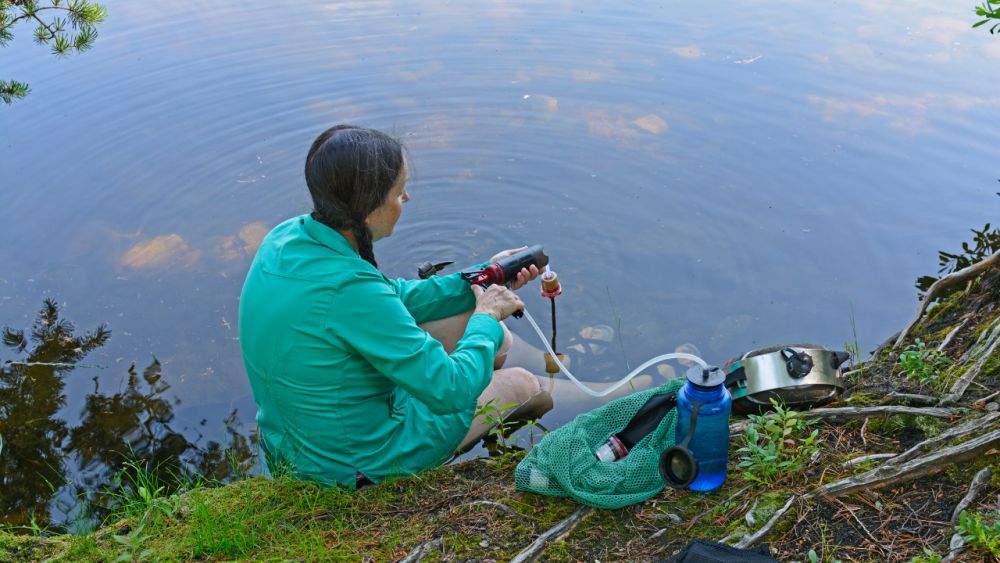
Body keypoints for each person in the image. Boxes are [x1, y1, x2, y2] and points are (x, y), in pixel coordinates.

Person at [238, 125, 549, 488]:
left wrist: (485, 277)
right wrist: (486, 316)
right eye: (399, 191)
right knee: (523, 384)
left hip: (298, 443)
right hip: (351, 464)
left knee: (498, 341)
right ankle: (581, 393)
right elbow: (449, 390)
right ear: (369, 210)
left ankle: (537, 366)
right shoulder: (349, 290)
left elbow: (391, 296)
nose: (407, 197)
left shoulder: (289, 236)